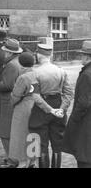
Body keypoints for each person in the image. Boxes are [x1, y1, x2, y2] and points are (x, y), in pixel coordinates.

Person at [9, 52, 59, 168]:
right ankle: (32, 161)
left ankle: (22, 162)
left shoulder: (23, 77)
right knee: (34, 133)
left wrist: (12, 103)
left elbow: (15, 96)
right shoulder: (38, 73)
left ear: (21, 64)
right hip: (38, 105)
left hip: (23, 107)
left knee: (21, 135)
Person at [29, 43, 74, 168]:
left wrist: (49, 110)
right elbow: (68, 93)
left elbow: (35, 96)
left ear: (38, 55)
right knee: (57, 143)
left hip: (40, 109)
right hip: (58, 104)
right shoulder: (61, 70)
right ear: (51, 55)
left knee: (40, 143)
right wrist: (62, 109)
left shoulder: (34, 72)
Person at [63, 40, 91, 168]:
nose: (81, 57)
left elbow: (84, 103)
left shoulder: (86, 74)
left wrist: (73, 119)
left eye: (82, 55)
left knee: (84, 157)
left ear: (87, 56)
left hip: (86, 122)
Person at [0, 38, 23, 168]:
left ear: (11, 53)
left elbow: (7, 85)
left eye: (6, 52)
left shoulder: (12, 65)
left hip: (8, 101)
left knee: (5, 132)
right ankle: (12, 158)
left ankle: (12, 160)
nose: (4, 54)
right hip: (13, 101)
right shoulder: (17, 62)